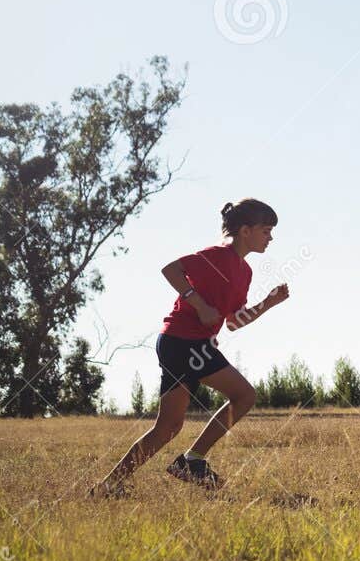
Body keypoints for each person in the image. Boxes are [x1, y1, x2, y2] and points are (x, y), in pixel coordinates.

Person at [92, 198, 290, 495]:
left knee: (169, 427)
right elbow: (171, 269)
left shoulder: (244, 271)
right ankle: (188, 461)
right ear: (246, 230)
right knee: (240, 396)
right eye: (266, 230)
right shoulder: (216, 255)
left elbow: (234, 321)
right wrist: (198, 304)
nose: (271, 238)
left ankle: (113, 484)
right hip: (180, 341)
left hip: (195, 346)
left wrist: (267, 304)